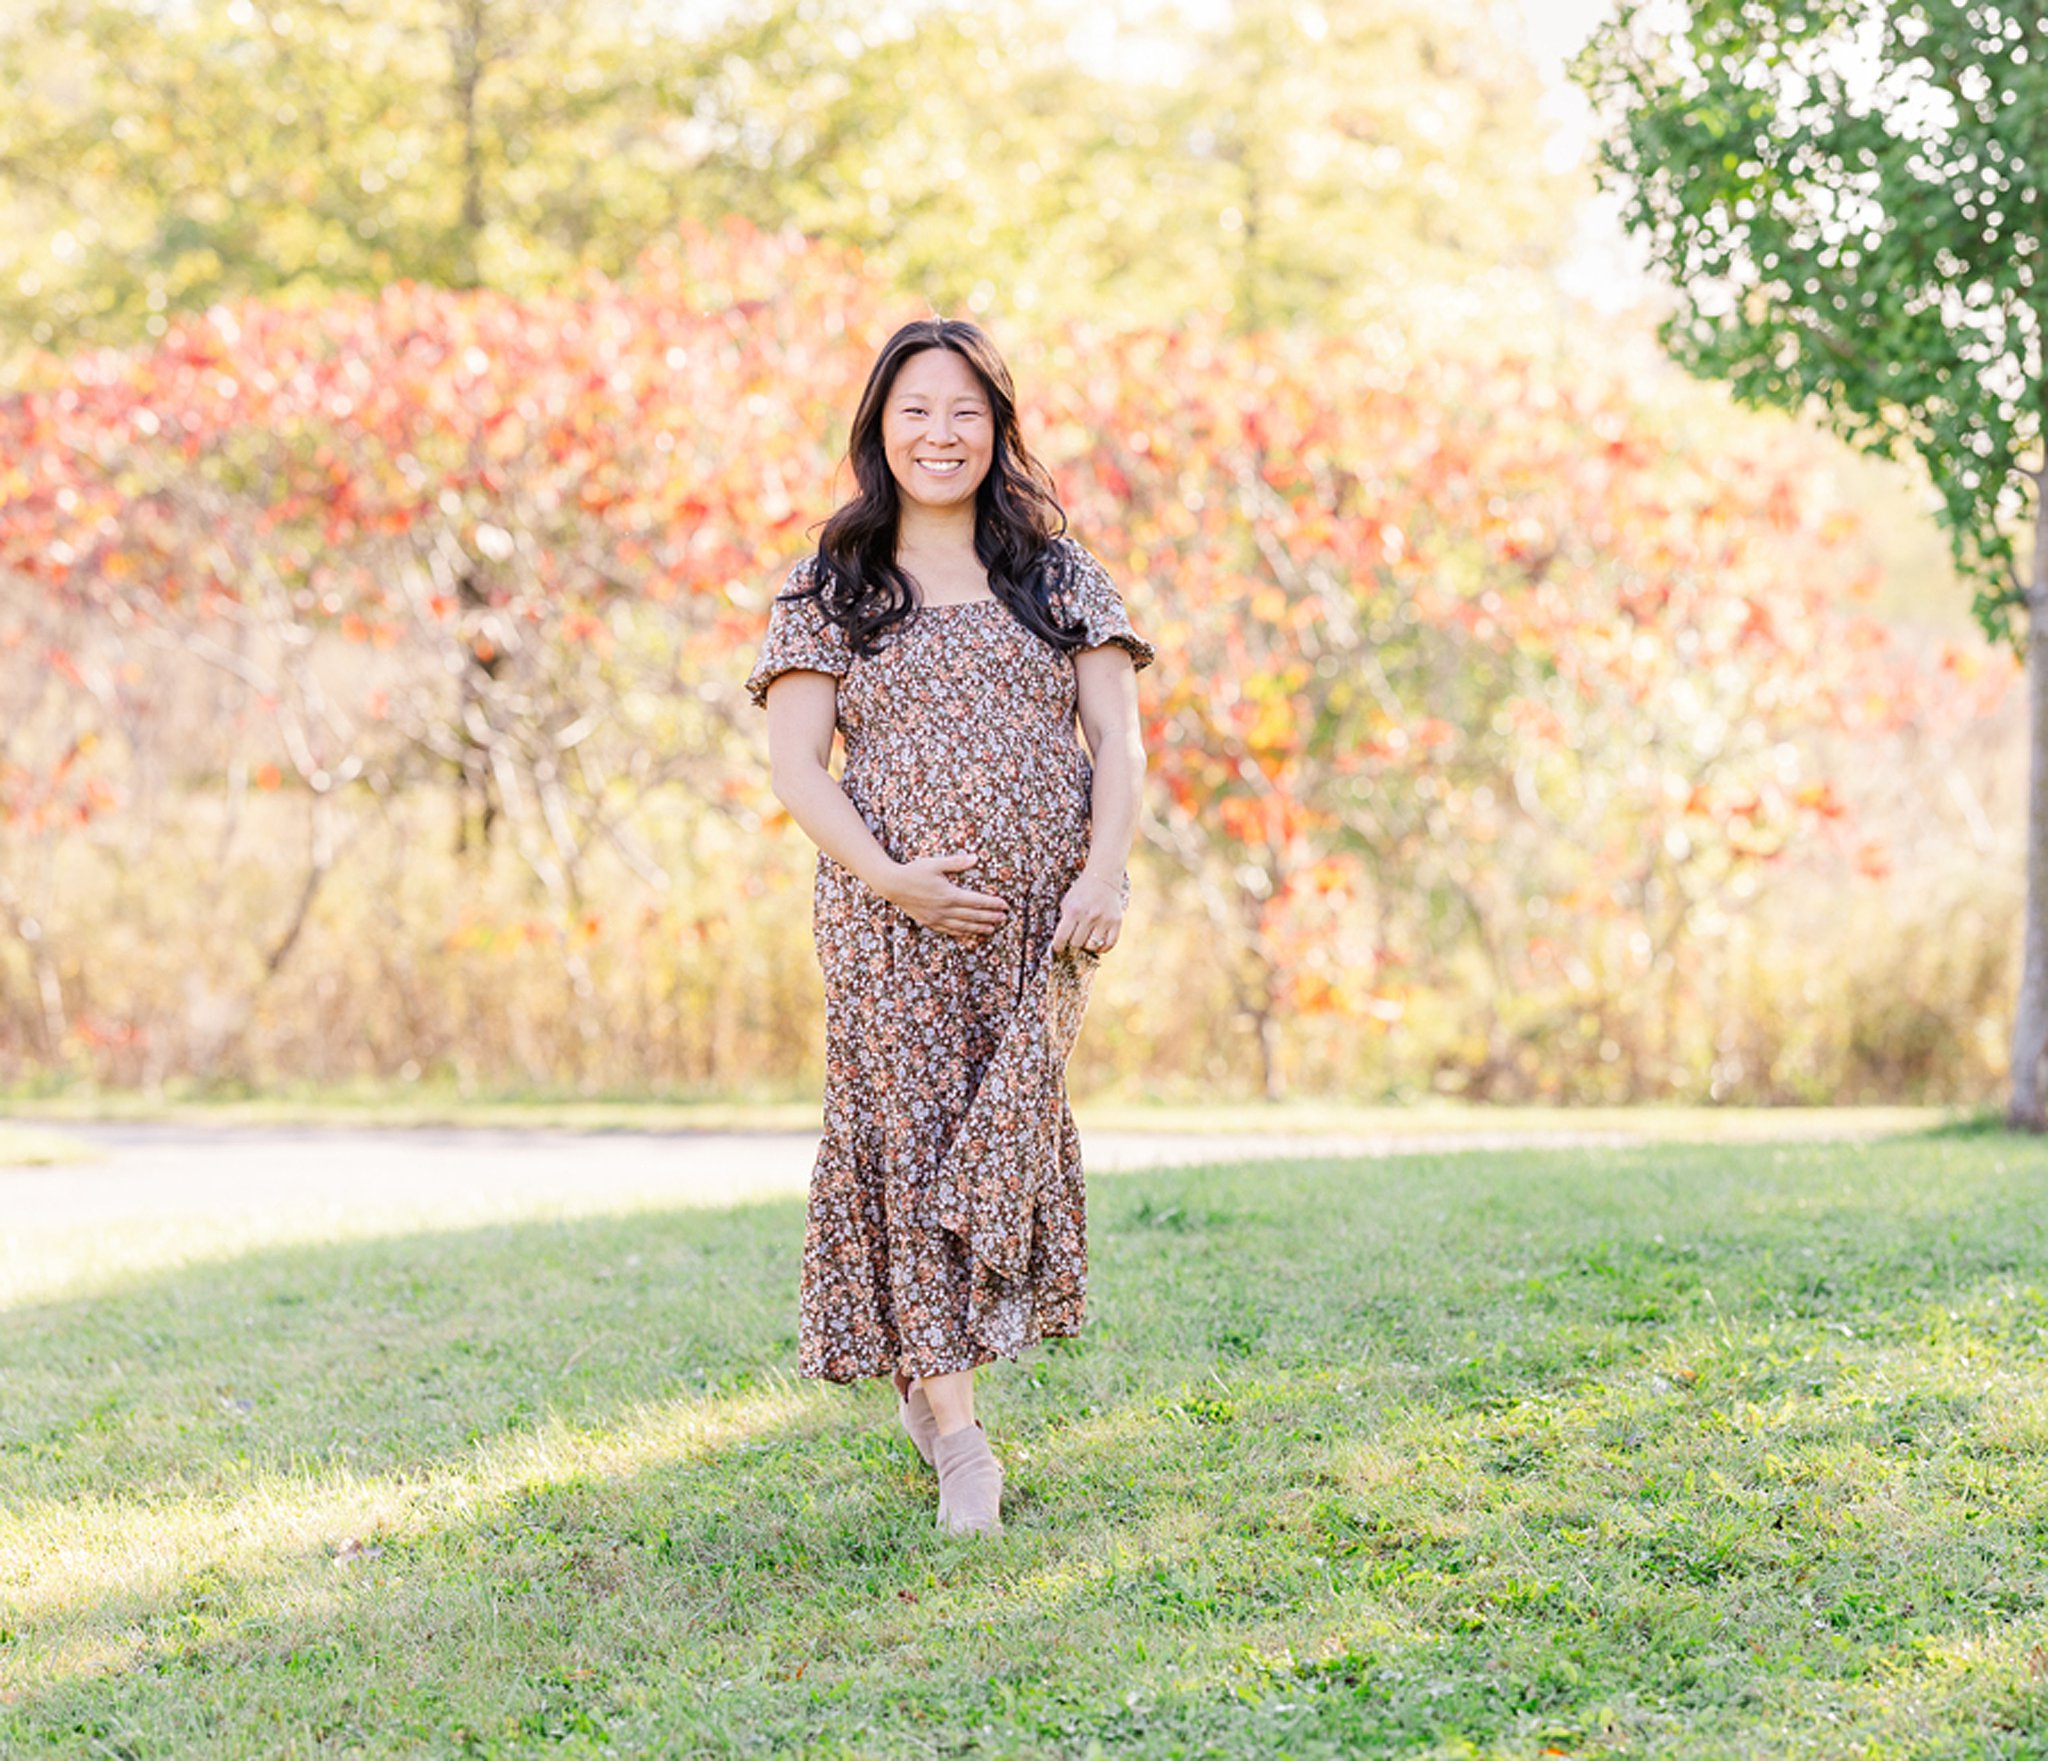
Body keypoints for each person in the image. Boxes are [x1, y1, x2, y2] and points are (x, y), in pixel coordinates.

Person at [744, 317, 1155, 1536]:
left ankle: (932, 1377)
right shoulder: (831, 584)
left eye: (965, 411)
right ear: (880, 424)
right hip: (887, 923)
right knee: (916, 1150)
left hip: (1041, 928)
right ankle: (962, 1440)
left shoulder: (1058, 573)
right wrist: (892, 877)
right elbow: (795, 766)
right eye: (916, 409)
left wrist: (1106, 874)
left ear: (997, 427)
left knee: (994, 1144)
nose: (941, 433)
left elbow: (1117, 742)